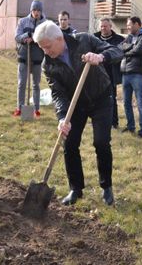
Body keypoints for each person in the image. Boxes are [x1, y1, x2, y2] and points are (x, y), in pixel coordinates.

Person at [33, 20, 123, 206]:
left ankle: (106, 187)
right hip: (77, 105)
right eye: (42, 49)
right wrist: (62, 118)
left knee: (101, 142)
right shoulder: (48, 64)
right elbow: (57, 93)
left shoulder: (84, 40)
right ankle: (75, 189)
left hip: (101, 98)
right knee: (70, 144)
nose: (46, 52)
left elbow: (118, 51)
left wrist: (101, 56)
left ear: (59, 39)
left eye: (47, 47)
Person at [13, 0, 47, 118]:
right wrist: (26, 35)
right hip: (24, 55)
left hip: (37, 57)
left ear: (41, 11)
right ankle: (20, 108)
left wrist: (34, 38)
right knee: (22, 83)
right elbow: (17, 37)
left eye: (38, 10)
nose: (36, 12)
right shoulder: (23, 22)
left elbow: (46, 39)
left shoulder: (45, 23)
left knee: (36, 84)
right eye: (34, 10)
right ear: (31, 10)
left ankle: (36, 109)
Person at [119, 16, 142, 138]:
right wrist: (129, 48)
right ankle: (130, 126)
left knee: (140, 103)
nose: (128, 27)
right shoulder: (129, 37)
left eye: (129, 25)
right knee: (126, 102)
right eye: (127, 25)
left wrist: (126, 51)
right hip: (125, 73)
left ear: (137, 24)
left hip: (137, 73)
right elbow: (120, 47)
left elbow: (139, 50)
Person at [94, 18, 124, 128]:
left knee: (111, 98)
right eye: (101, 26)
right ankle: (98, 120)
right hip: (97, 73)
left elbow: (120, 53)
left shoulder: (118, 39)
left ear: (110, 26)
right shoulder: (94, 37)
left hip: (111, 73)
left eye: (105, 26)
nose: (103, 28)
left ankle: (114, 122)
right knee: (96, 98)